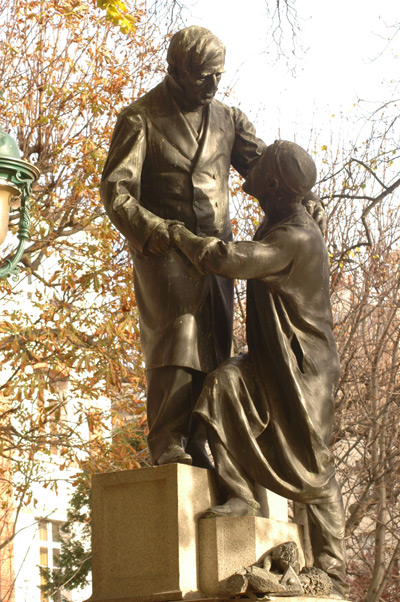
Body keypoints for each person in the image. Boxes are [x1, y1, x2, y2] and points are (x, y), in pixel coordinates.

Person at [169, 141, 348, 598]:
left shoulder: (295, 236)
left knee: (312, 467)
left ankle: (332, 570)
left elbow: (232, 260)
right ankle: (240, 495)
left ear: (273, 185)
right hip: (271, 362)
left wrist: (179, 236)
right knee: (223, 388)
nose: (254, 170)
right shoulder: (282, 218)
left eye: (262, 169)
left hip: (303, 369)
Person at [100, 25, 267, 468]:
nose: (214, 85)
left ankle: (201, 438)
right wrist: (163, 233)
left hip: (216, 254)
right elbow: (116, 193)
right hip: (165, 251)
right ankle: (167, 439)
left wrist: (300, 192)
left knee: (214, 343)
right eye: (204, 76)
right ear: (175, 71)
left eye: (218, 75)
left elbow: (265, 168)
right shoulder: (141, 118)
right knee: (178, 339)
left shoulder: (228, 118)